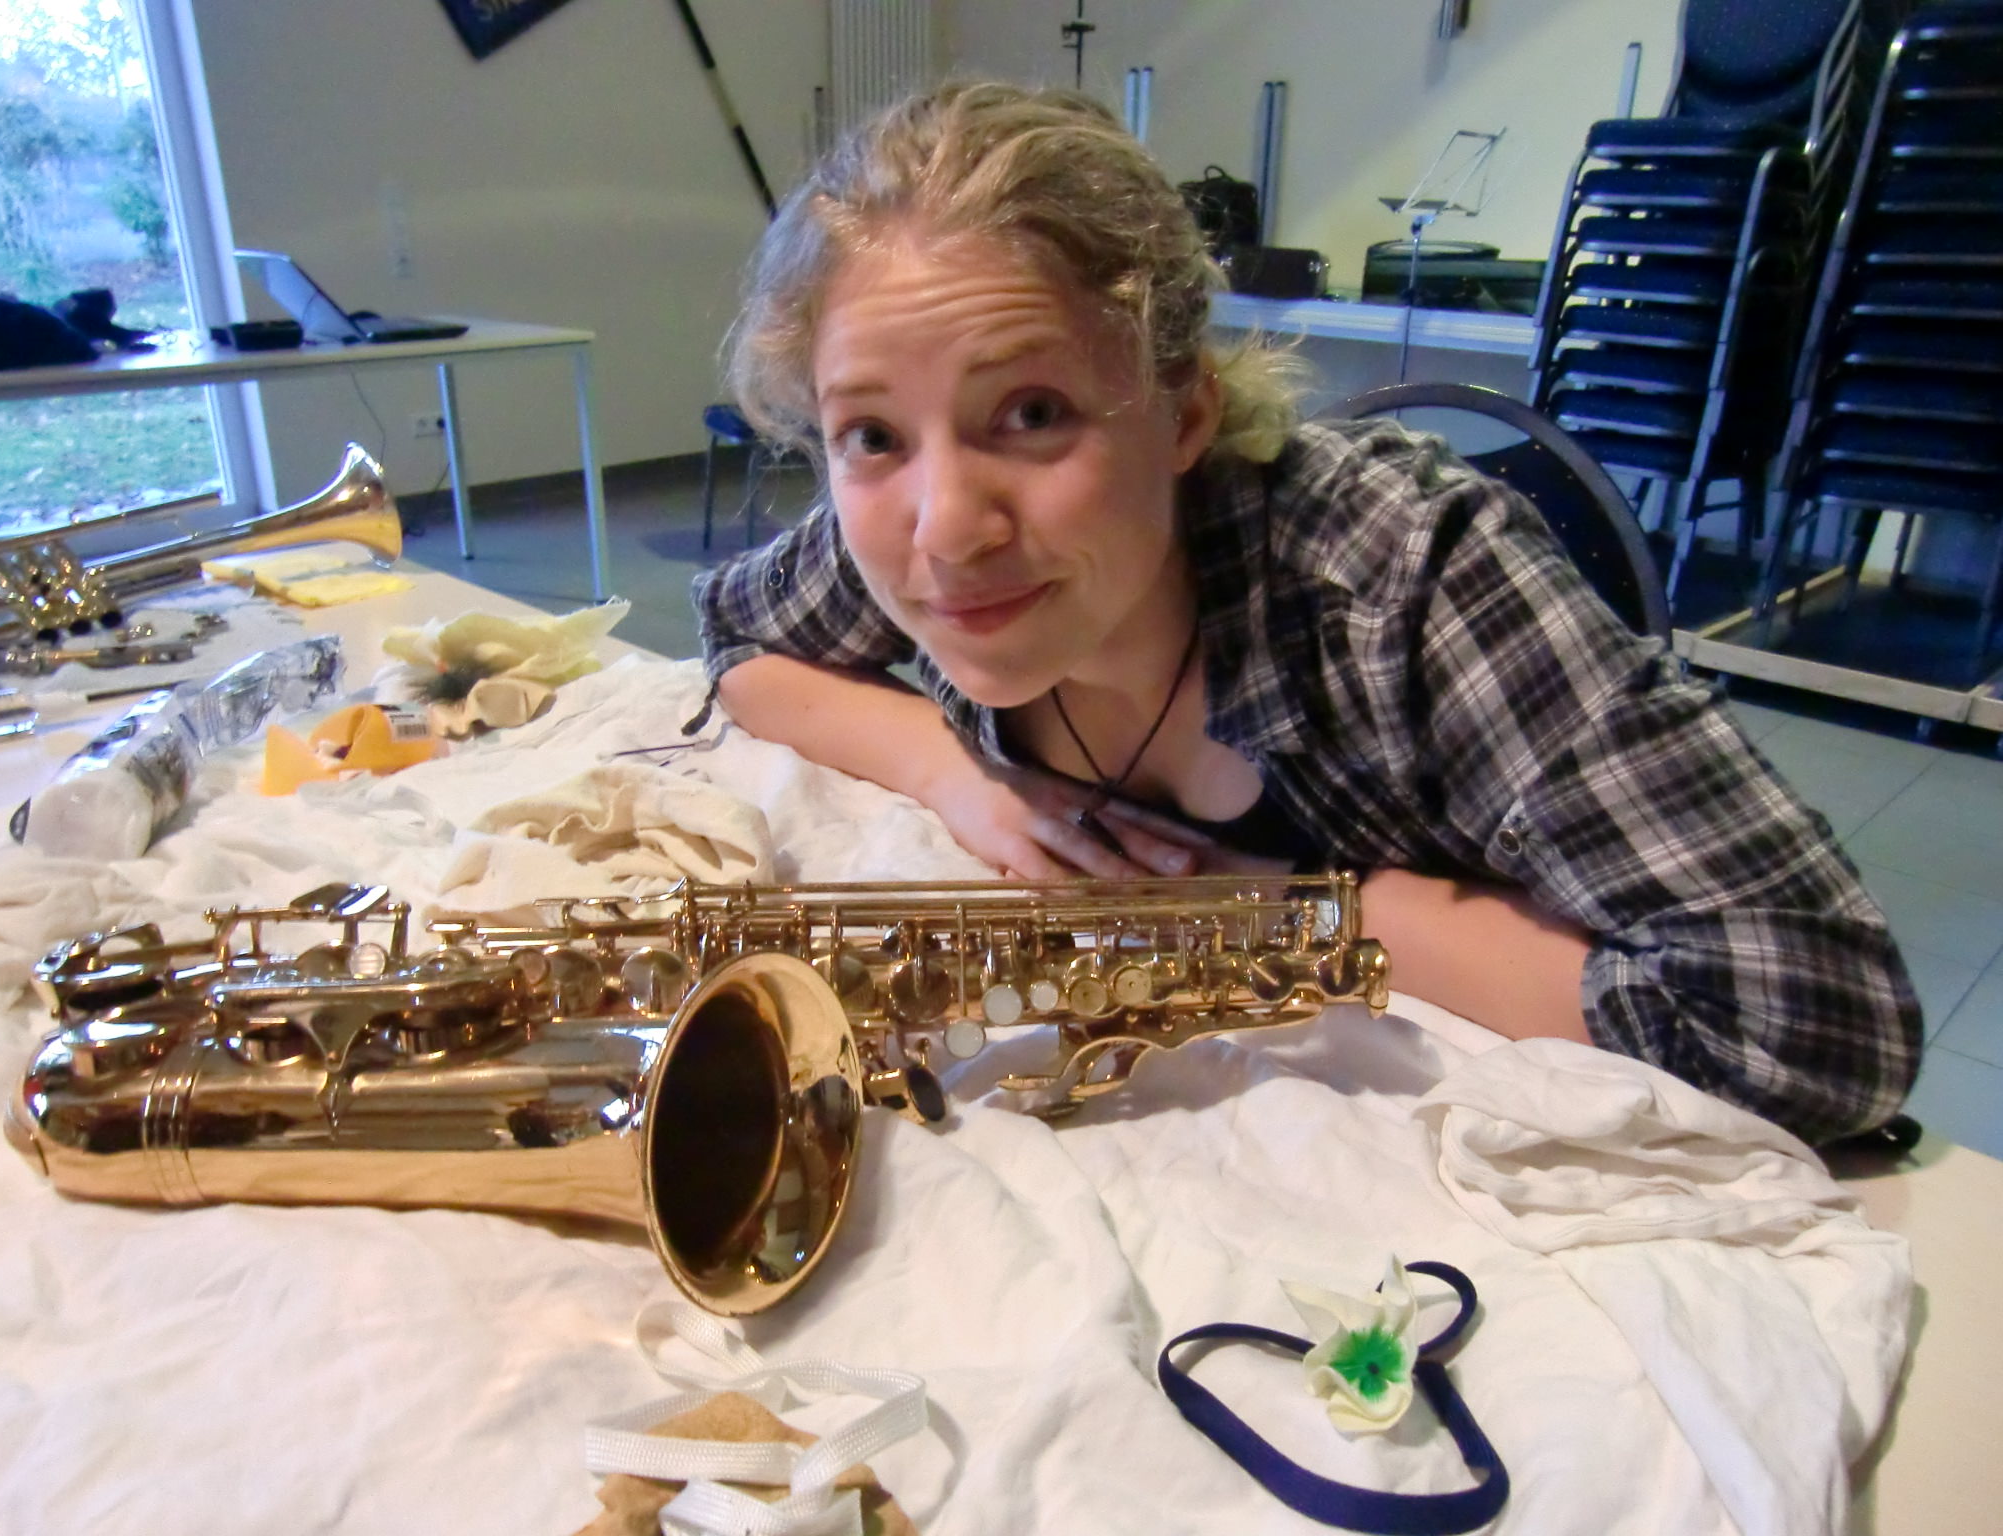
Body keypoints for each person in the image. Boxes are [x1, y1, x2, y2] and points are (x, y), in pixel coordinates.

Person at [692, 80, 1921, 1146]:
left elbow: (1818, 1021)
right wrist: (958, 775)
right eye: (869, 434)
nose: (947, 529)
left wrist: (1274, 909)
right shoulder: (908, 519)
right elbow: (741, 640)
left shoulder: (1402, 579)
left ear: (1183, 410)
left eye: (1031, 413)